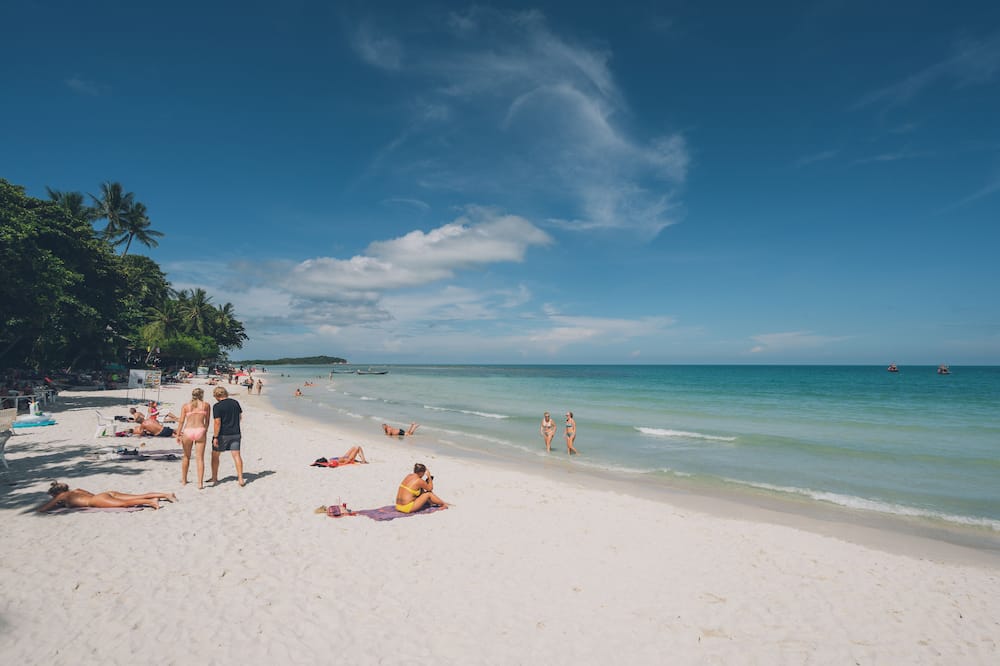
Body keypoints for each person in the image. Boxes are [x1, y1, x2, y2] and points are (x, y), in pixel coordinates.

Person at [36, 481, 176, 512]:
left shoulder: (61, 497)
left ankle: (152, 502)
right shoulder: (77, 490)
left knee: (124, 503)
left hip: (96, 500)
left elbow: (44, 509)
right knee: (136, 496)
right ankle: (165, 494)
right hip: (103, 494)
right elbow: (89, 494)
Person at [176, 387, 211, 488]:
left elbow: (181, 421)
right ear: (202, 395)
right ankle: (200, 483)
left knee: (186, 456)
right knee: (200, 458)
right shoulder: (206, 405)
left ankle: (184, 480)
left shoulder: (186, 406)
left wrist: (178, 434)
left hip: (188, 431)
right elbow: (207, 421)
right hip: (200, 430)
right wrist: (205, 430)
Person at [210, 386, 245, 486]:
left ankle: (214, 477)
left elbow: (217, 422)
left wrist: (215, 437)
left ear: (217, 395)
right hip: (236, 433)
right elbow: (240, 417)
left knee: (215, 455)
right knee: (237, 455)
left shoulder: (217, 406)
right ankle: (241, 478)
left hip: (223, 434)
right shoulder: (235, 402)